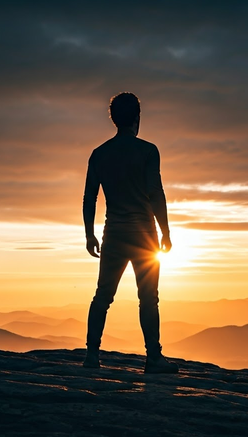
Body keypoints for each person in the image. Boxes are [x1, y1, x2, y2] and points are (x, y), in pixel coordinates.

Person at [82, 92, 178, 374]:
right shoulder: (148, 151)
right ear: (137, 118)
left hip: (114, 234)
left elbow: (90, 198)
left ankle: (91, 355)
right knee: (148, 298)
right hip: (144, 236)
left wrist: (90, 234)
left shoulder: (99, 154)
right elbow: (155, 192)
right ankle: (154, 357)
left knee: (102, 296)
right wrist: (166, 232)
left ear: (113, 119)